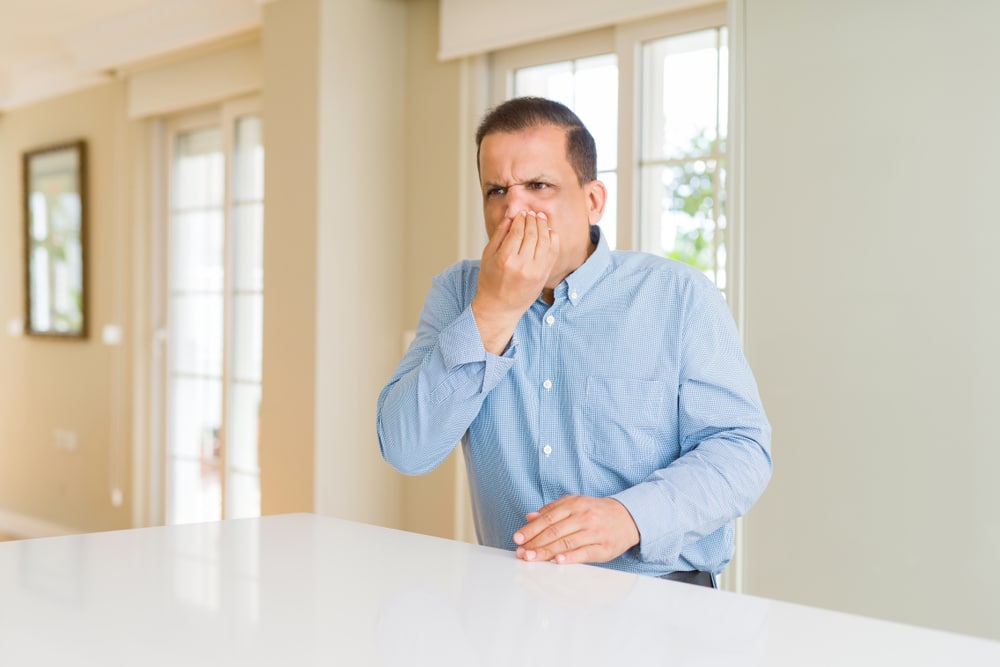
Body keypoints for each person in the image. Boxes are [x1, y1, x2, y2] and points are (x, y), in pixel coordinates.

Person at [377, 97, 771, 586]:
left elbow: (742, 450)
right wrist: (495, 309)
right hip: (515, 596)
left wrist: (629, 517)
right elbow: (406, 449)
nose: (512, 209)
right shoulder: (459, 293)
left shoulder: (680, 295)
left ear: (592, 201)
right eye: (496, 190)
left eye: (538, 185)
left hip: (663, 597)